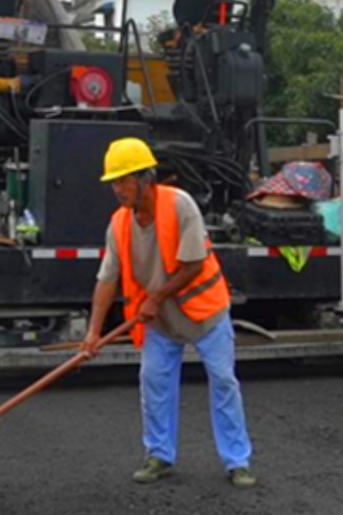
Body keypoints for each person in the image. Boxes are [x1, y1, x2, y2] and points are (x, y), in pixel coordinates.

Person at [80, 138, 256, 489]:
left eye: (123, 180)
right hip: (160, 322)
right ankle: (159, 455)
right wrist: (92, 333)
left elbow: (192, 265)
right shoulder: (118, 225)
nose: (117, 189)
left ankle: (238, 461)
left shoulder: (180, 206)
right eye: (113, 182)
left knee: (223, 382)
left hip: (205, 313)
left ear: (146, 178)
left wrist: (156, 297)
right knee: (154, 383)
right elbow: (106, 281)